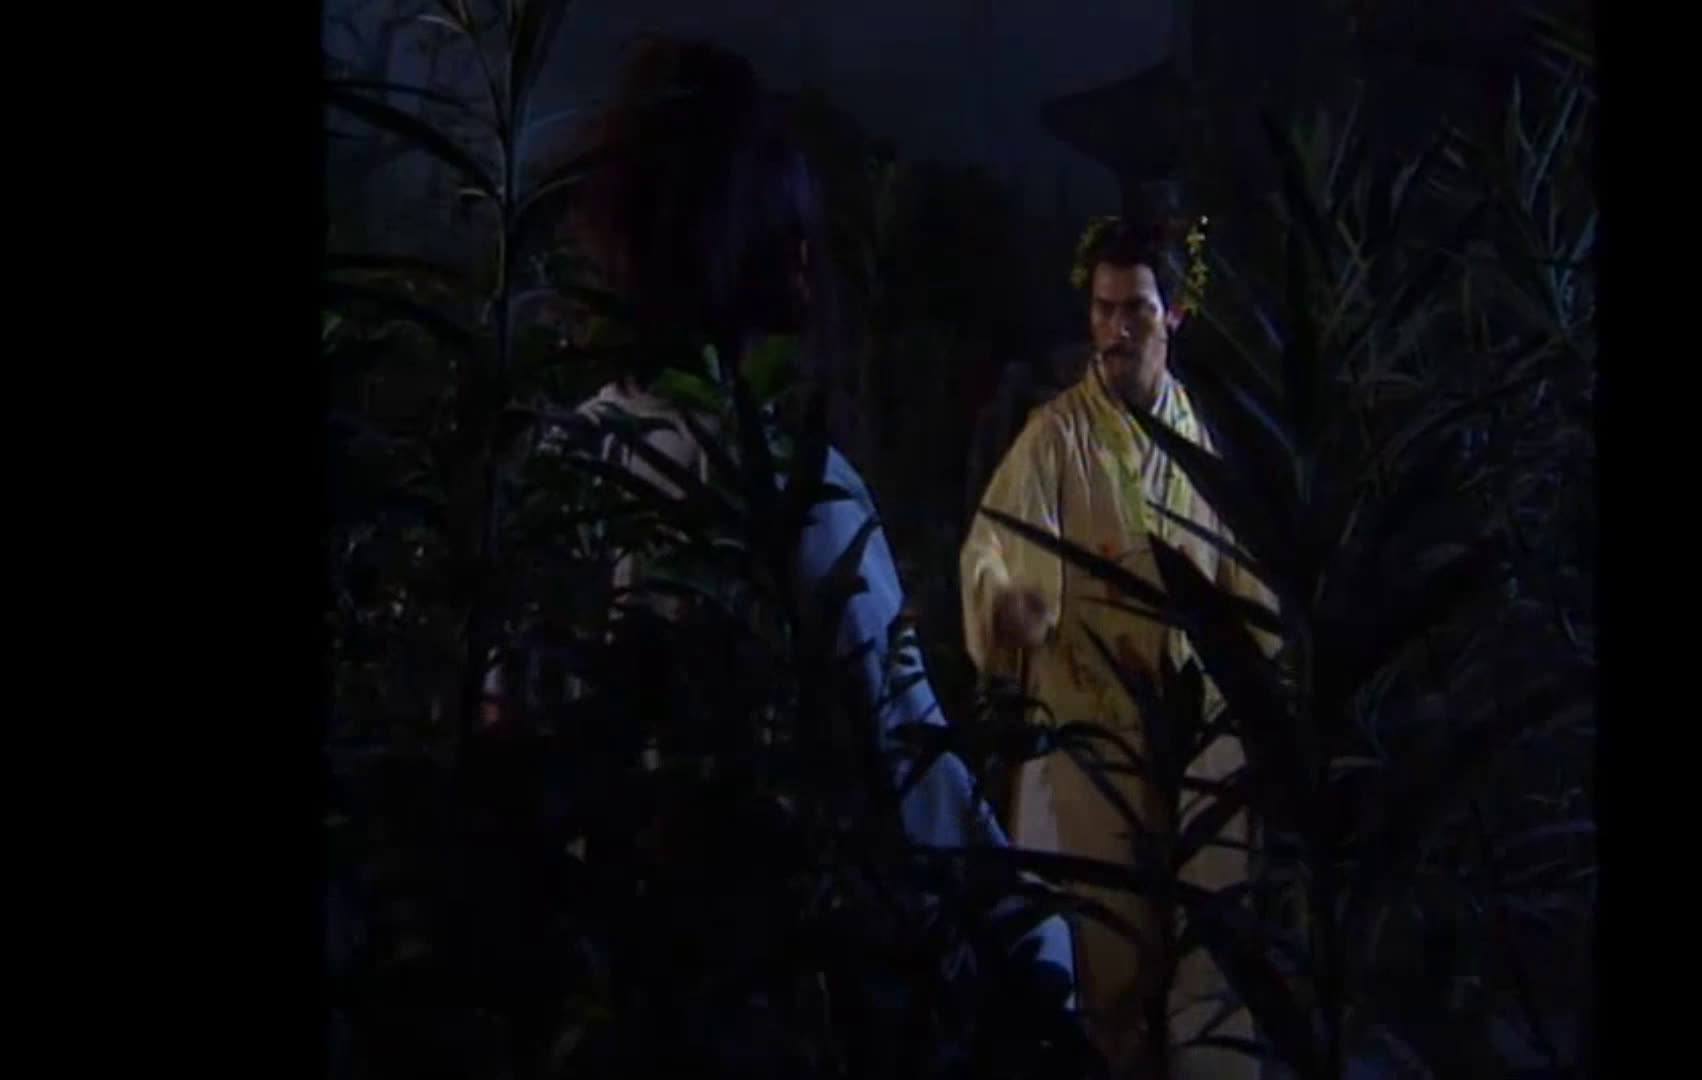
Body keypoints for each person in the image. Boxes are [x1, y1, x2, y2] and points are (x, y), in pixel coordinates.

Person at [521, 35, 1079, 979]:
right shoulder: (794, 495)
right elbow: (918, 800)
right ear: (769, 254)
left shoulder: (563, 463)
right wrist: (1039, 959)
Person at [958, 214, 1282, 1079]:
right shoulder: (1054, 435)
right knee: (1104, 958)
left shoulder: (1198, 438)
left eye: (1135, 308)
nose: (1115, 329)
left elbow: (1245, 580)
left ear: (1173, 314)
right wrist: (1006, 604)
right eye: (1103, 309)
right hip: (1092, 736)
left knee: (1212, 960)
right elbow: (988, 549)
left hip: (1196, 734)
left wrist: (1272, 673)